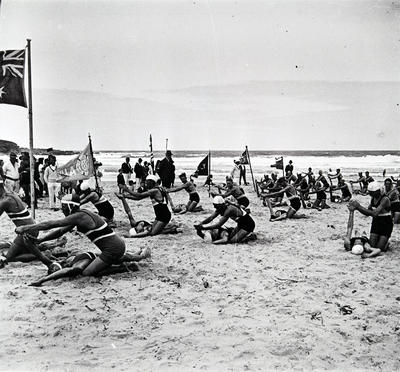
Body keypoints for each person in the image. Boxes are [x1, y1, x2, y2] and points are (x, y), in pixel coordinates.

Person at [15, 193, 127, 277]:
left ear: (70, 207)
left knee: (87, 273)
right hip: (115, 246)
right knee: (92, 266)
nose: (62, 211)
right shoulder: (78, 216)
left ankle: (120, 268)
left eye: (64, 208)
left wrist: (26, 228)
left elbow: (51, 224)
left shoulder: (79, 216)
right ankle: (118, 262)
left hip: (113, 248)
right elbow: (59, 232)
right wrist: (40, 240)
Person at [0, 180, 65, 271]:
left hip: (26, 231)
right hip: (33, 228)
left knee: (10, 257)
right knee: (24, 248)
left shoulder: (5, 201)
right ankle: (50, 248)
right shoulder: (11, 194)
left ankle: (45, 255)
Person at [348, 181, 393, 252]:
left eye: (372, 192)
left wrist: (358, 206)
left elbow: (374, 213)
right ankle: (382, 240)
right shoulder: (373, 199)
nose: (370, 194)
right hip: (376, 222)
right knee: (372, 246)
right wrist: (356, 208)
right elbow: (367, 213)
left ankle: (386, 243)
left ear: (378, 191)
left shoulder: (385, 199)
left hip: (386, 223)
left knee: (380, 249)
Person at [115, 192, 181, 237]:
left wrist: (123, 199)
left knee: (155, 231)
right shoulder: (144, 229)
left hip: (159, 220)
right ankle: (173, 229)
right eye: (138, 231)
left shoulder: (134, 224)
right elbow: (146, 233)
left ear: (135, 227)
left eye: (136, 229)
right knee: (156, 231)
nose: (139, 230)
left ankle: (174, 227)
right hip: (159, 221)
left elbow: (128, 212)